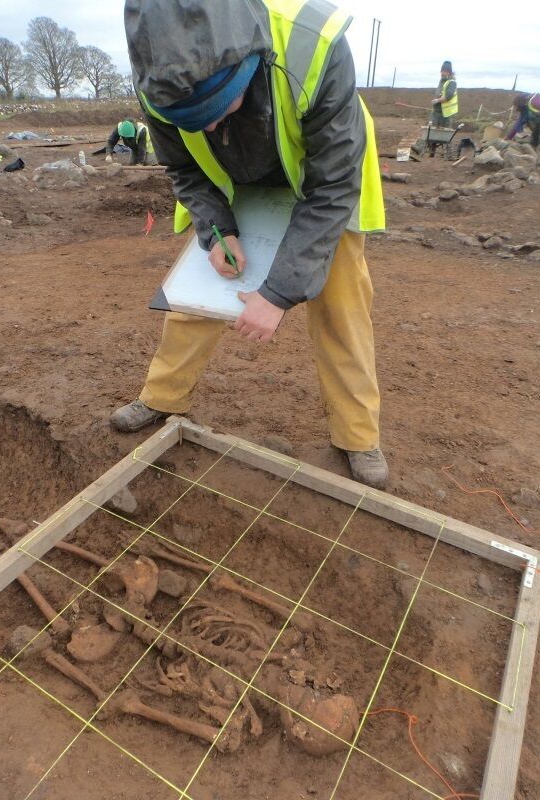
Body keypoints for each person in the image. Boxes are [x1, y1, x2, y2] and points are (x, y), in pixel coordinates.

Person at [111, 0, 388, 488]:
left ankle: (357, 435)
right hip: (236, 179)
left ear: (248, 65)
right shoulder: (157, 77)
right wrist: (218, 231)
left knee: (341, 303)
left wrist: (278, 293)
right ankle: (162, 397)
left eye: (217, 112)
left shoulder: (314, 46)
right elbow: (186, 170)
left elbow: (330, 190)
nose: (209, 129)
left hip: (322, 176)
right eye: (194, 120)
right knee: (200, 289)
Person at [430, 61, 458, 128]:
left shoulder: (452, 82)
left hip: (445, 115)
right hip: (436, 112)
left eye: (445, 71)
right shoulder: (442, 81)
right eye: (442, 71)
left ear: (449, 73)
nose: (443, 73)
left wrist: (437, 100)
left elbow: (448, 96)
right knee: (432, 131)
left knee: (443, 134)